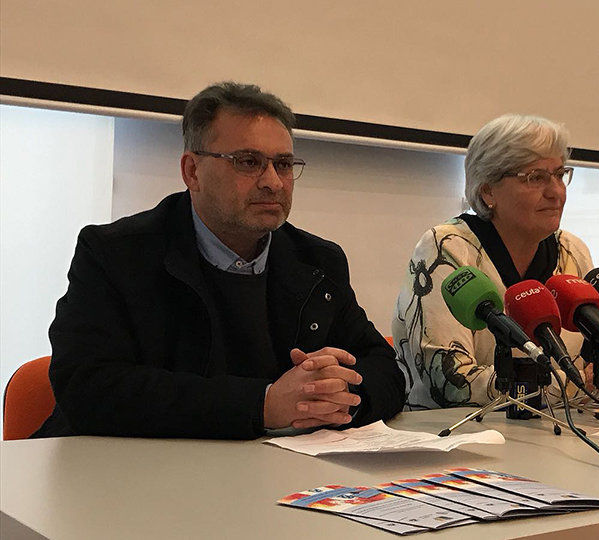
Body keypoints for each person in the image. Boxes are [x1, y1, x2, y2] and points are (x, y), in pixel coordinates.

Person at [33, 82, 405, 438]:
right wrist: (262, 404)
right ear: (192, 172)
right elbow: (88, 386)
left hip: (272, 469)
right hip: (129, 471)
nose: (273, 182)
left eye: (284, 164)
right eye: (248, 162)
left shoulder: (317, 261)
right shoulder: (116, 253)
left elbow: (384, 368)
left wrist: (340, 395)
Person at [392, 114, 599, 410]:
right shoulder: (446, 249)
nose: (556, 192)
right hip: (456, 432)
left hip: (559, 427)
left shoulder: (570, 250)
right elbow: (452, 382)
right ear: (488, 191)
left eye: (559, 175)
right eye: (536, 177)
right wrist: (581, 385)